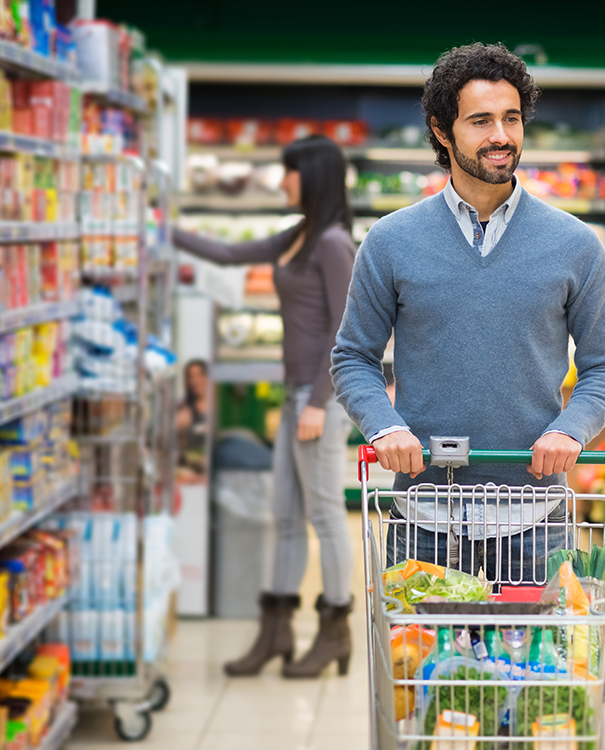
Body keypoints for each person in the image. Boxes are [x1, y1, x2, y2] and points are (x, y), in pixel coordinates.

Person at [331, 43, 605, 582]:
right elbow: (353, 357)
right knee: (420, 668)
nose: (502, 136)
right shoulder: (391, 240)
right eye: (481, 120)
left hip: (536, 522)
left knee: (533, 668)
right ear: (442, 131)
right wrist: (381, 427)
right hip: (423, 519)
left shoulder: (575, 244)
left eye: (512, 118)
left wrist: (571, 430)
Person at [173, 135, 357, 679]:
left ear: (314, 177)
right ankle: (275, 631)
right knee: (284, 517)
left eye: (289, 173)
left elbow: (345, 332)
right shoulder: (300, 236)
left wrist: (320, 403)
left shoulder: (332, 243)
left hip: (318, 400)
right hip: (296, 394)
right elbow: (230, 254)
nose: (281, 182)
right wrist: (162, 230)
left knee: (325, 516)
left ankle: (334, 632)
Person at [176, 359, 210, 483]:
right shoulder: (183, 411)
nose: (195, 381)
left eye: (200, 375)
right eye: (190, 377)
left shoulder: (219, 409)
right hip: (191, 481)